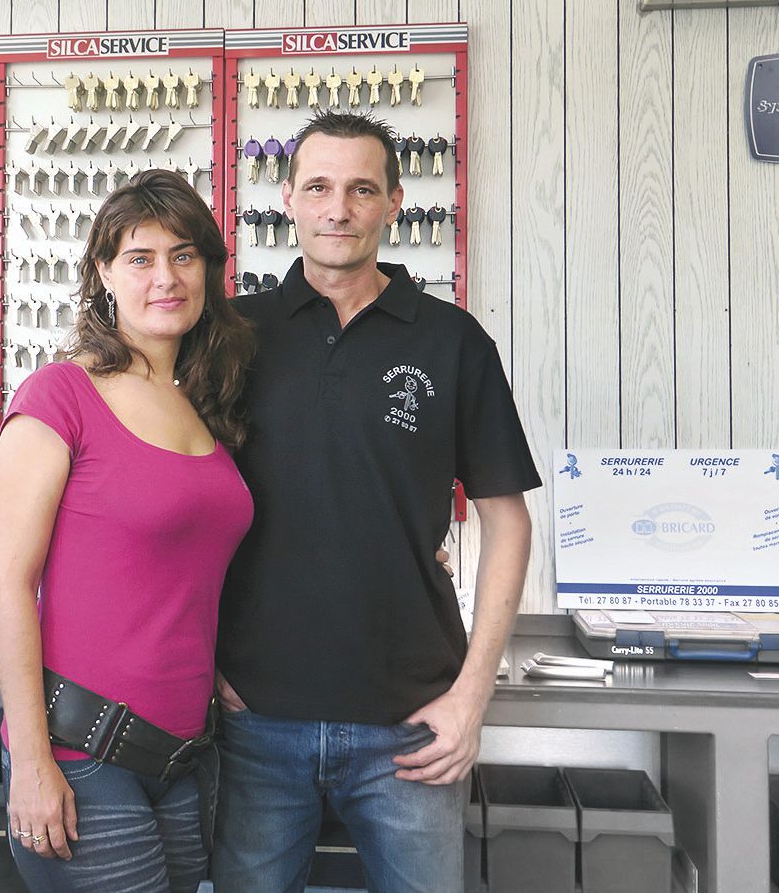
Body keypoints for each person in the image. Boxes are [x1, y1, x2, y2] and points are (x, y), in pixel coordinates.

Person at [212, 111, 541, 893]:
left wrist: (470, 696)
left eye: (362, 189)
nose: (338, 209)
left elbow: (507, 522)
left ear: (393, 202)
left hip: (412, 725)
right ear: (286, 196)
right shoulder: (231, 336)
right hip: (253, 720)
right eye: (319, 187)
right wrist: (203, 675)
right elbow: (180, 513)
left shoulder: (452, 341)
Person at [0, 168, 256, 893]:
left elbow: (188, 574)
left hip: (185, 755)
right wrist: (34, 764)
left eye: (183, 255)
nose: (164, 277)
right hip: (82, 754)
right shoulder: (59, 396)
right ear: (103, 273)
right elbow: (8, 586)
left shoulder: (205, 406)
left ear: (206, 270)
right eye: (139, 258)